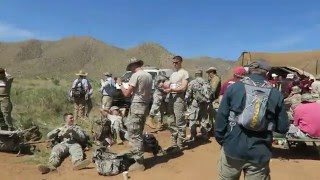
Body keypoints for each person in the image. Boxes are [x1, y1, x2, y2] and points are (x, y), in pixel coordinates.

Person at [215, 60, 289, 179]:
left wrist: (223, 141)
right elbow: (283, 127)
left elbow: (221, 118)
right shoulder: (275, 94)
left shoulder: (234, 88)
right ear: (267, 73)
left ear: (248, 71)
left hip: (233, 147)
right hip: (260, 151)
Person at [117, 57, 152, 171]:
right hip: (145, 106)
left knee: (134, 134)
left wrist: (120, 84)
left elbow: (127, 93)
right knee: (139, 132)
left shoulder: (135, 75)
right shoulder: (148, 76)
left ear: (133, 66)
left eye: (130, 67)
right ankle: (137, 156)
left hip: (136, 106)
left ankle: (139, 162)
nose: (130, 69)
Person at [163, 55, 189, 153]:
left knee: (180, 120)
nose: (174, 64)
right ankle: (174, 143)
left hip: (178, 98)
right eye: (173, 62)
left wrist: (171, 89)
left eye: (176, 62)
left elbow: (183, 87)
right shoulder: (173, 74)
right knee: (171, 121)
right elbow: (167, 83)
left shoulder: (184, 73)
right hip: (171, 98)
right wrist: (164, 85)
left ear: (181, 62)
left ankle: (180, 144)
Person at [185, 70, 212, 140]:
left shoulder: (192, 82)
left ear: (195, 74)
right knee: (203, 119)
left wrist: (187, 102)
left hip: (195, 103)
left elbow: (188, 94)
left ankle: (192, 135)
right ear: (201, 74)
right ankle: (204, 135)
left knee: (192, 119)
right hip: (204, 103)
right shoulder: (206, 82)